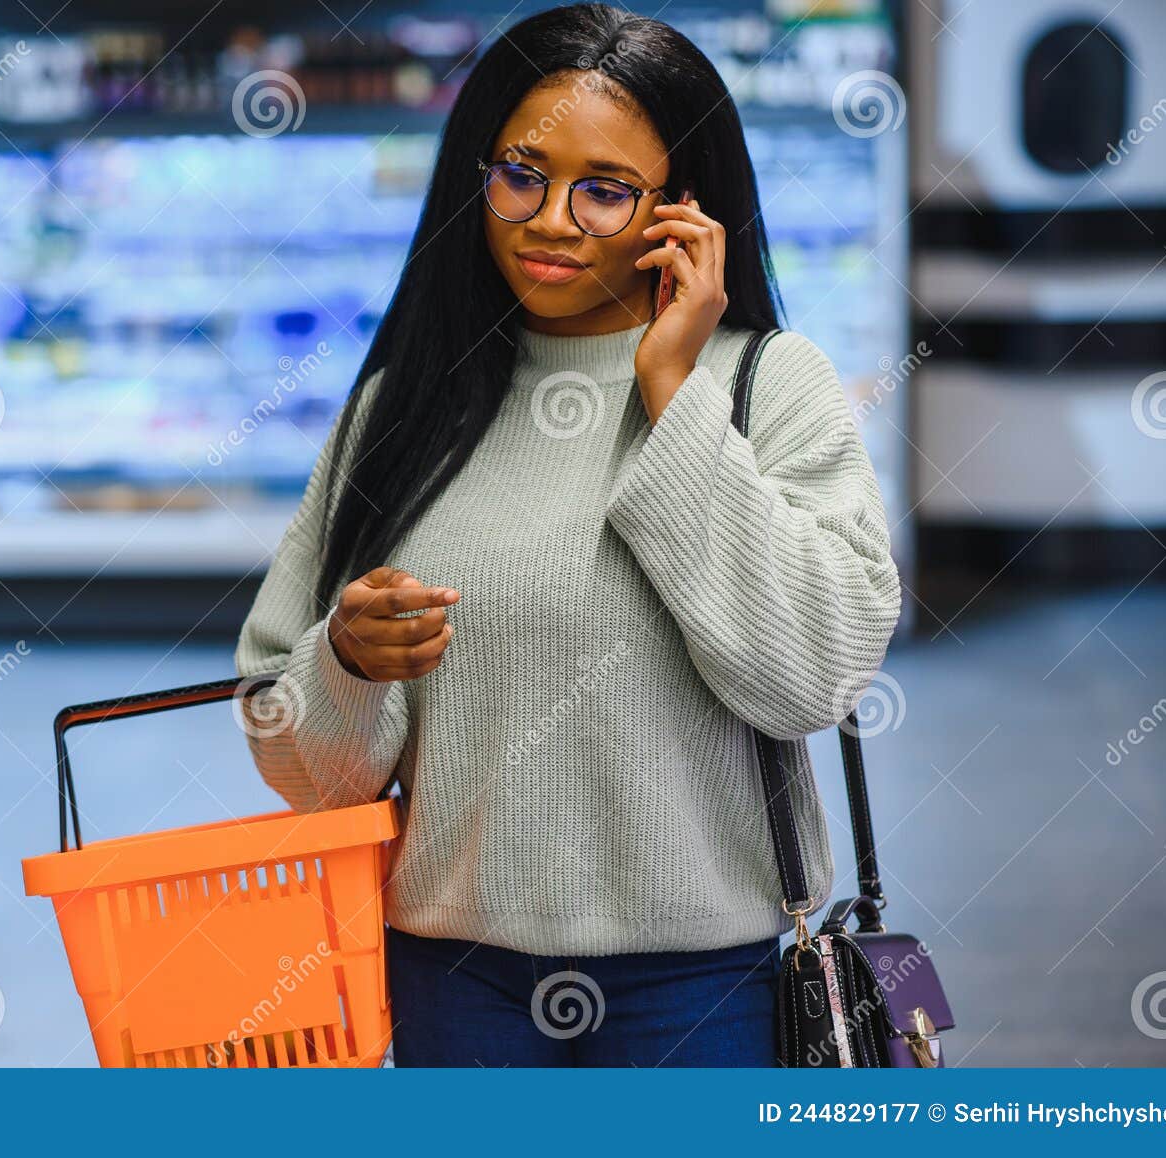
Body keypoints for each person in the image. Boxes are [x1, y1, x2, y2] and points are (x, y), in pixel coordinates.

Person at [234, 2, 901, 1067]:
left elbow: (811, 677)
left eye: (604, 191)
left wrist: (673, 392)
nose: (549, 219)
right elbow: (304, 763)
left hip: (703, 992)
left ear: (685, 213)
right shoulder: (399, 414)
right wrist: (347, 662)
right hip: (450, 986)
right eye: (521, 174)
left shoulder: (766, 389)